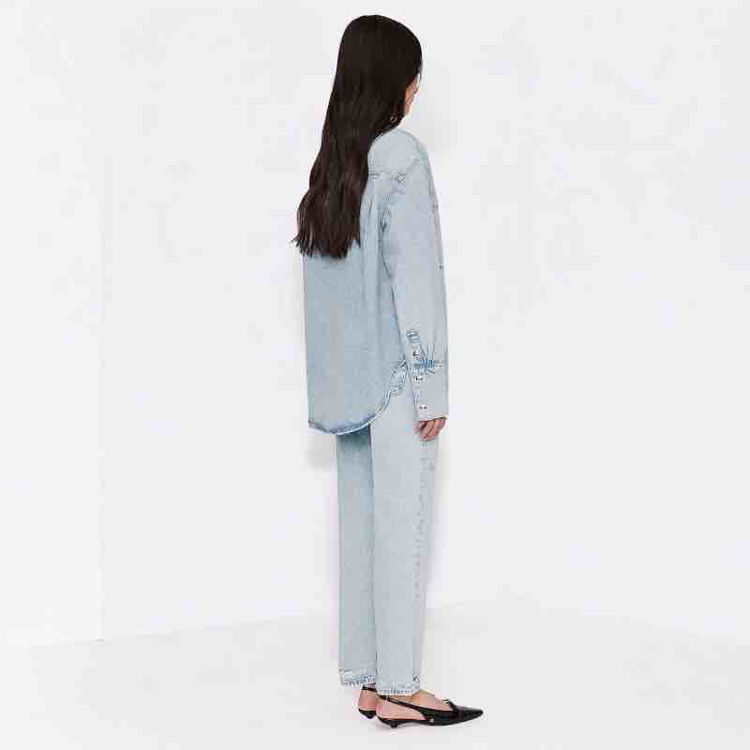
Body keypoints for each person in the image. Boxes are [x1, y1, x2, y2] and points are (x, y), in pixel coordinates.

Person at [293, 15, 483, 728]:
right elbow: (417, 279)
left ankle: (372, 681)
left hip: (351, 385)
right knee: (401, 529)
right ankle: (402, 686)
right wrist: (431, 385)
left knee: (363, 531)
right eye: (413, 73)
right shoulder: (400, 155)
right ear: (392, 81)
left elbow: (329, 292)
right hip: (399, 378)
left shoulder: (334, 166)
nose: (418, 88)